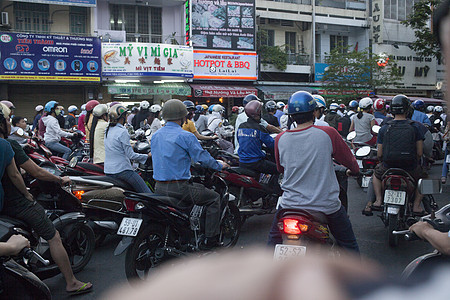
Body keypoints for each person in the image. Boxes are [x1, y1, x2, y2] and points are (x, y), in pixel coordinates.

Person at [0, 104, 93, 295]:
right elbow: (25, 174)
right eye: (8, 120)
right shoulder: (7, 145)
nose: (10, 124)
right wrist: (31, 192)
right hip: (15, 203)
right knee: (53, 236)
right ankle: (72, 282)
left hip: (3, 206)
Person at [267, 91, 360, 253]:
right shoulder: (328, 133)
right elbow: (350, 162)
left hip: (289, 205)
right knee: (348, 245)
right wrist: (355, 171)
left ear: (291, 116)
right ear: (314, 112)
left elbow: (281, 168)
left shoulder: (280, 139)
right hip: (325, 205)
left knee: (271, 246)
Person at [151, 99, 229, 249]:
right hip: (180, 189)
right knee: (214, 198)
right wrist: (219, 165)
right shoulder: (185, 136)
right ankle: (211, 240)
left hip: (158, 187)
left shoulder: (156, 135)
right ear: (182, 117)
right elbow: (202, 157)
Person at [362, 95, 425, 216]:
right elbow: (420, 153)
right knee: (424, 178)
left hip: (388, 166)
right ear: (408, 109)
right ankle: (417, 205)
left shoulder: (384, 128)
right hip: (410, 167)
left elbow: (379, 154)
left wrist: (383, 161)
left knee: (375, 175)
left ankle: (378, 200)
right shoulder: (415, 127)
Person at [104, 104, 151, 193]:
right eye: (126, 115)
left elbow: (115, 146)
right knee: (146, 193)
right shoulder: (122, 131)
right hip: (122, 171)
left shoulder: (108, 130)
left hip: (108, 171)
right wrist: (147, 156)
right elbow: (131, 155)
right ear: (122, 117)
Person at [237, 100, 278, 175]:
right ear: (258, 113)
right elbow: (272, 145)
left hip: (242, 162)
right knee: (278, 170)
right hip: (256, 163)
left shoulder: (241, 127)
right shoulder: (260, 128)